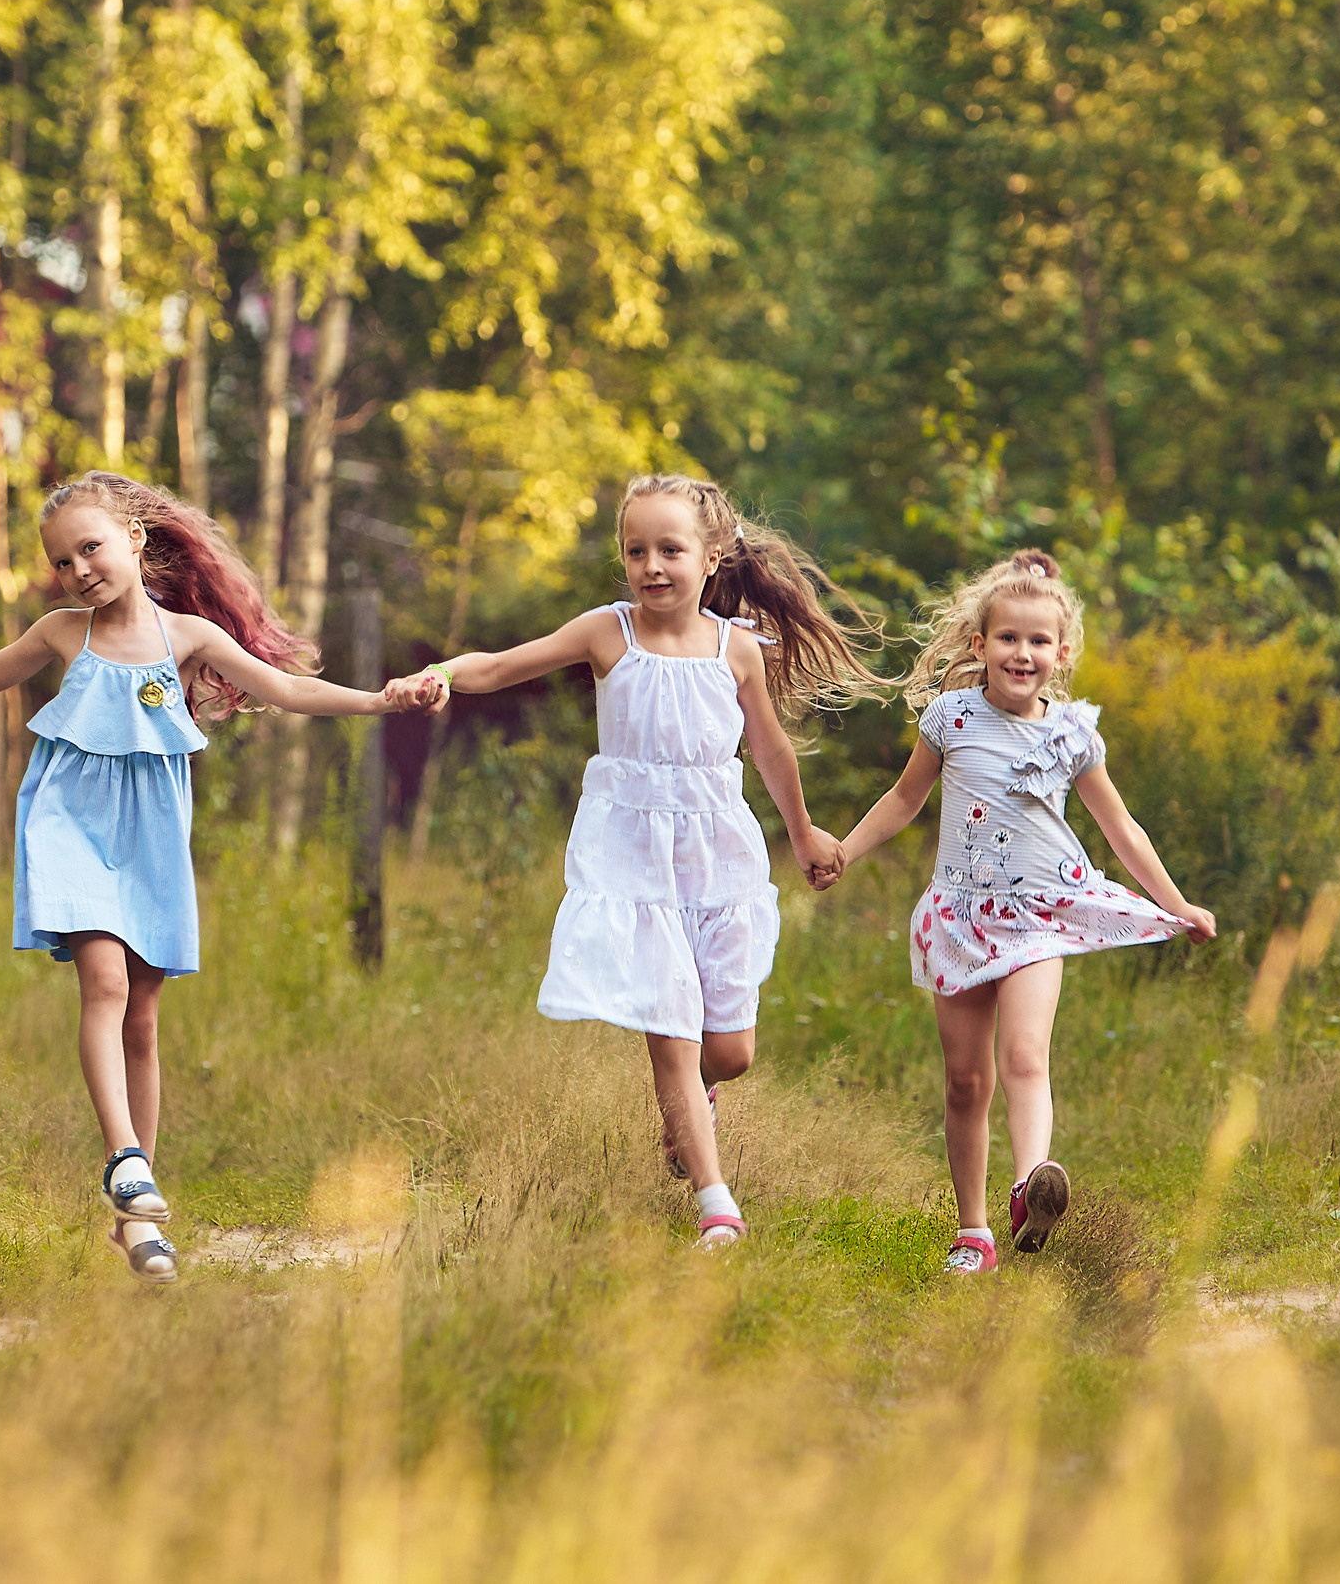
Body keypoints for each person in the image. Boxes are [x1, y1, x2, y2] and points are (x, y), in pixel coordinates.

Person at [0, 471, 434, 1285]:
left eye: (89, 547)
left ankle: (137, 1221)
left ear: (134, 538)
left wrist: (380, 702)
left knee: (145, 1021)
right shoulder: (61, 633)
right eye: (61, 561)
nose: (78, 568)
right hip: (70, 826)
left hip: (154, 834)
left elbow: (289, 687)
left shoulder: (189, 636)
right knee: (105, 984)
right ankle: (123, 1156)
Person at [385, 473, 883, 1248]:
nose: (652, 566)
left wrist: (805, 831)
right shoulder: (605, 633)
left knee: (731, 1051)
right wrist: (442, 675)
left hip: (717, 853)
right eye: (636, 550)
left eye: (671, 550)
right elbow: (502, 666)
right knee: (674, 1030)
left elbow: (772, 749)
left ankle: (693, 1115)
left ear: (711, 556)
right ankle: (716, 1201)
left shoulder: (738, 650)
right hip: (633, 861)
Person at [815, 549, 1216, 1274]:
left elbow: (1123, 829)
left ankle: (1033, 1188)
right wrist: (844, 849)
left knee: (1026, 1056)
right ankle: (973, 1232)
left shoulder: (1071, 736)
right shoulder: (949, 718)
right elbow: (905, 800)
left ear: (1061, 655)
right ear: (980, 646)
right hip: (959, 919)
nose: (1021, 652)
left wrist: (1176, 902)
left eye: (1037, 641)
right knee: (966, 1081)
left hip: (1039, 917)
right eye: (1007, 638)